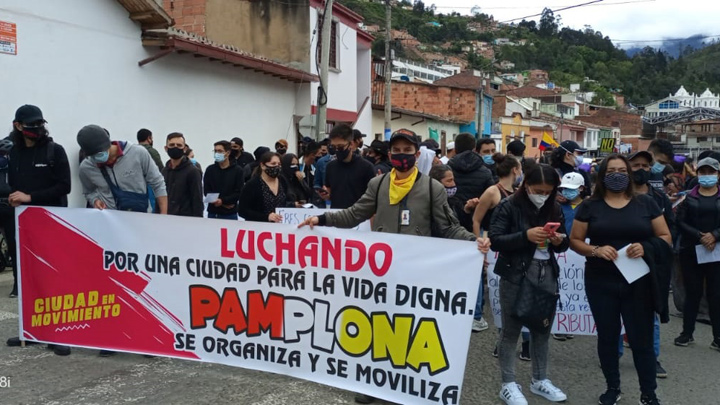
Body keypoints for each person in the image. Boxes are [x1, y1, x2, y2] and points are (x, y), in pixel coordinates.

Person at [298, 129, 491, 405]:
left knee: (408, 328)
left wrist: (474, 243)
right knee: (376, 327)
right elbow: (354, 214)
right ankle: (371, 384)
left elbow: (448, 227)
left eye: (407, 151)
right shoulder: (379, 185)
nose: (402, 156)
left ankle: (404, 383)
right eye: (397, 151)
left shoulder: (431, 188)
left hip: (415, 273)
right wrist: (322, 219)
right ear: (390, 154)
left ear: (417, 154)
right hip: (380, 271)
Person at [570, 154, 672, 405]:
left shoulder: (645, 203)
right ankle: (612, 388)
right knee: (607, 336)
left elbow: (665, 236)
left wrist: (645, 247)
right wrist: (595, 250)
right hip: (600, 281)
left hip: (638, 282)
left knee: (642, 339)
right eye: (611, 171)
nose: (617, 175)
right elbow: (575, 240)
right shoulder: (589, 206)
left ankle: (648, 393)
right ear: (603, 175)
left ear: (629, 174)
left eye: (622, 171)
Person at [489, 163, 569, 405]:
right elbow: (496, 240)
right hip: (516, 274)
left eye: (548, 191)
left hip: (547, 273)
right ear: (525, 185)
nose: (542, 196)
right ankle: (508, 383)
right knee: (511, 330)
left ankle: (540, 379)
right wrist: (526, 236)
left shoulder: (554, 207)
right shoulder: (508, 205)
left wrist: (557, 240)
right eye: (538, 190)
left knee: (542, 329)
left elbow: (564, 244)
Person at [4, 105, 72, 357]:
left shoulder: (55, 151)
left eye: (40, 125)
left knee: (53, 279)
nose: (37, 130)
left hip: (52, 223)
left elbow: (64, 186)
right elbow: (15, 186)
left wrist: (30, 197)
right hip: (24, 225)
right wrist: (14, 198)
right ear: (18, 126)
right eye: (31, 126)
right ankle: (31, 331)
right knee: (28, 278)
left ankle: (59, 334)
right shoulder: (15, 154)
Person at [625, 150, 676, 378]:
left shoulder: (659, 198)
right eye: (635, 165)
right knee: (619, 313)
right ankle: (613, 354)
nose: (641, 170)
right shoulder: (616, 196)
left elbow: (670, 230)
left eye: (645, 166)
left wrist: (652, 248)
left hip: (652, 264)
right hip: (621, 261)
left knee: (651, 313)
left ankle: (652, 359)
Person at [471, 153, 524, 334]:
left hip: (510, 246)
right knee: (495, 290)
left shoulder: (516, 192)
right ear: (515, 170)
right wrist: (478, 248)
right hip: (491, 245)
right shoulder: (492, 191)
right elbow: (477, 220)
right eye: (520, 168)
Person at [674, 157, 720, 352]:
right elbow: (680, 222)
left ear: (718, 174)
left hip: (717, 252)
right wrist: (699, 236)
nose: (707, 176)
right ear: (697, 173)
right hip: (691, 250)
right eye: (703, 172)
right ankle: (687, 333)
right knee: (692, 293)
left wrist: (715, 235)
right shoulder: (688, 197)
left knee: (715, 295)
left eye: (711, 172)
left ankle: (717, 337)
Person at [78, 125, 167, 214]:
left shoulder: (138, 153)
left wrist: (163, 216)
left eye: (98, 154)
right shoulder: (86, 167)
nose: (96, 158)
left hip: (140, 216)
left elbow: (158, 183)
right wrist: (95, 200)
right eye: (92, 156)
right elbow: (88, 192)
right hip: (109, 218)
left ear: (107, 144)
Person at [448, 133, 495, 232]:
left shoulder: (447, 170)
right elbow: (492, 198)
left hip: (451, 221)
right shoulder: (485, 172)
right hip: (477, 224)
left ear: (455, 150)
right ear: (474, 150)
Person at [323, 125, 375, 209]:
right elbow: (329, 191)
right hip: (336, 216)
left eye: (340, 147)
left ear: (351, 144)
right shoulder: (330, 167)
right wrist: (326, 195)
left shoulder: (366, 167)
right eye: (333, 147)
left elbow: (372, 198)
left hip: (359, 217)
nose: (336, 150)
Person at [238, 152, 289, 222]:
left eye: (279, 164)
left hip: (280, 225)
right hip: (259, 227)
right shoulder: (252, 185)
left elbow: (286, 200)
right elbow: (242, 211)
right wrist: (266, 217)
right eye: (273, 164)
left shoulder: (282, 181)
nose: (277, 167)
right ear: (262, 165)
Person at [161, 133, 203, 217]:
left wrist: (198, 223)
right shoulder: (164, 171)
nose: (175, 147)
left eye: (179, 145)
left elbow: (197, 200)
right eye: (172, 145)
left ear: (184, 149)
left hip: (186, 220)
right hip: (167, 218)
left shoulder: (193, 171)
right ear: (166, 148)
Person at [204, 141, 245, 220]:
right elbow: (206, 191)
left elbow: (239, 192)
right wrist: (218, 202)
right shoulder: (210, 170)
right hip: (213, 213)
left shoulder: (238, 170)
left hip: (230, 214)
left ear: (227, 153)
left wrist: (223, 201)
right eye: (215, 151)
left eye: (220, 151)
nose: (217, 153)